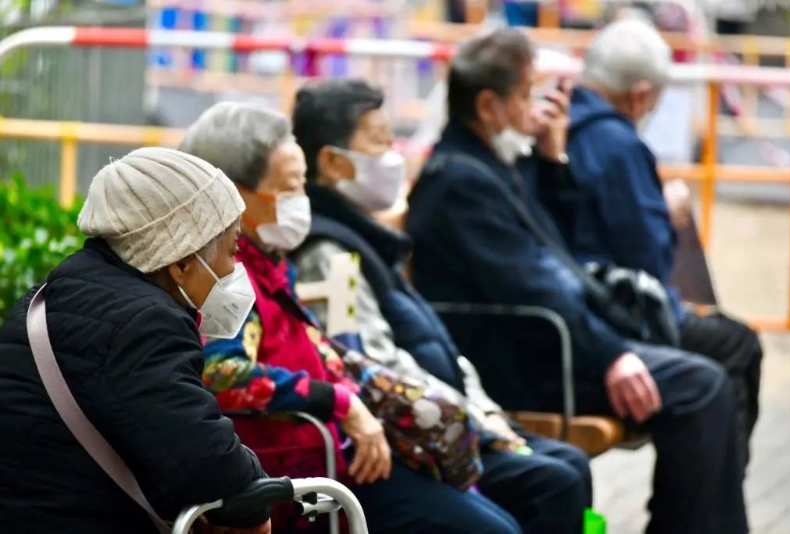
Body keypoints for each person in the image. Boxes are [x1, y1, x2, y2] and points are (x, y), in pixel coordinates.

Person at [404, 27, 748, 534]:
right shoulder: (463, 182)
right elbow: (536, 285)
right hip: (527, 357)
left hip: (549, 340)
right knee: (700, 387)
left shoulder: (492, 165)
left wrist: (551, 159)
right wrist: (611, 355)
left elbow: (555, 251)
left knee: (710, 373)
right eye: (526, 96)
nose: (536, 109)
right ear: (489, 105)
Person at [179, 101, 523, 534]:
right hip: (297, 484)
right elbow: (223, 372)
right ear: (235, 194)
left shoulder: (269, 264)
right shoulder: (231, 278)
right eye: (288, 187)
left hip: (336, 461)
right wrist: (339, 401)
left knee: (500, 520)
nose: (300, 201)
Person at [290, 78, 593, 534]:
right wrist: (477, 425)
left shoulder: (368, 239)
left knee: (569, 463)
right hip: (420, 436)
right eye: (379, 142)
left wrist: (489, 417)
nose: (394, 155)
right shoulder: (327, 253)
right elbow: (375, 367)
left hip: (454, 419)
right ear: (332, 162)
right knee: (554, 482)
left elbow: (441, 348)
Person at [0, 147, 271, 534]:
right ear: (180, 263)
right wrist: (255, 506)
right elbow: (210, 466)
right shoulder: (146, 326)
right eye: (232, 250)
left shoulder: (60, 291)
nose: (236, 268)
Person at [565, 19, 763, 469]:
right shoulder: (616, 143)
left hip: (587, 306)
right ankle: (710, 506)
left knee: (722, 351)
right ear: (639, 93)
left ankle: (707, 505)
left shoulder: (566, 126)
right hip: (609, 315)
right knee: (733, 351)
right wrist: (666, 214)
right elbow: (649, 258)